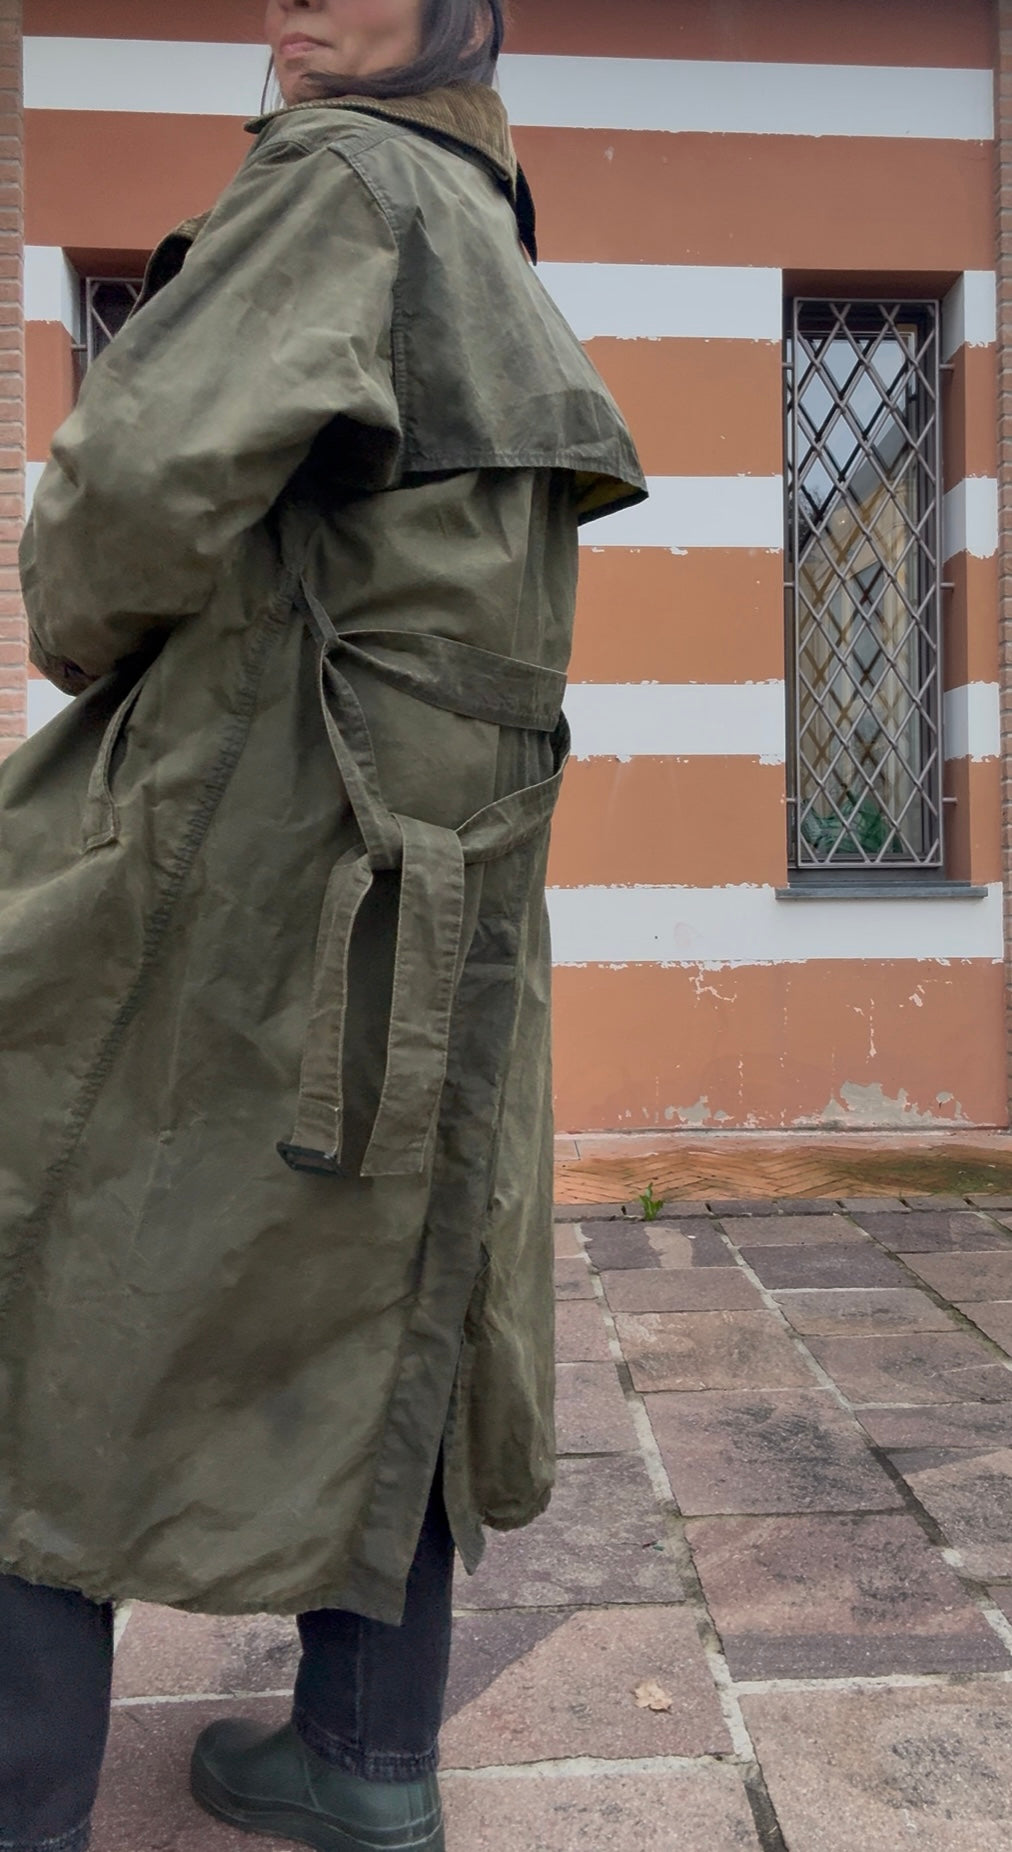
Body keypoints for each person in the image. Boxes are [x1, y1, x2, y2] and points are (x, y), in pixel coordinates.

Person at [0, 1, 645, 1847]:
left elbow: (123, 504)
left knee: (42, 1251)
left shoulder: (339, 178)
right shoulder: (484, 214)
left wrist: (84, 645)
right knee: (405, 1275)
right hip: (448, 896)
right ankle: (369, 1769)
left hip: (264, 847)